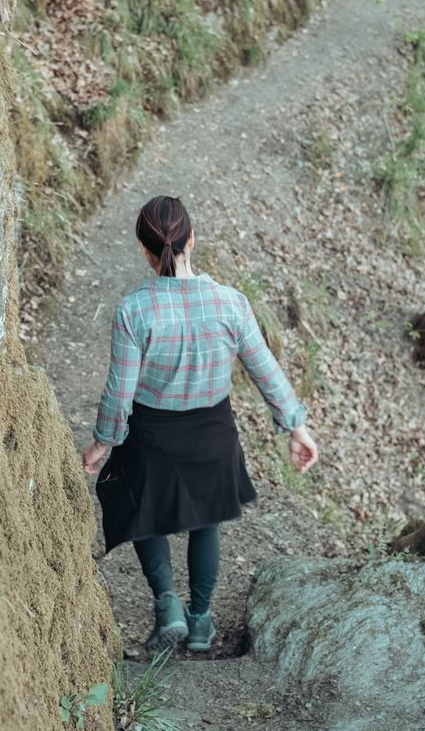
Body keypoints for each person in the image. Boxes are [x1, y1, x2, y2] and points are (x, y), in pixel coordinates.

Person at [80, 195, 319, 654]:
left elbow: (119, 390)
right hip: (213, 432)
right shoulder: (231, 304)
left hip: (151, 434)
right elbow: (265, 368)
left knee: (140, 510)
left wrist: (102, 443)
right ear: (192, 239)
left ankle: (166, 603)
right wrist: (295, 427)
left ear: (144, 250)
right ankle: (200, 621)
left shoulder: (135, 311)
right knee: (205, 522)